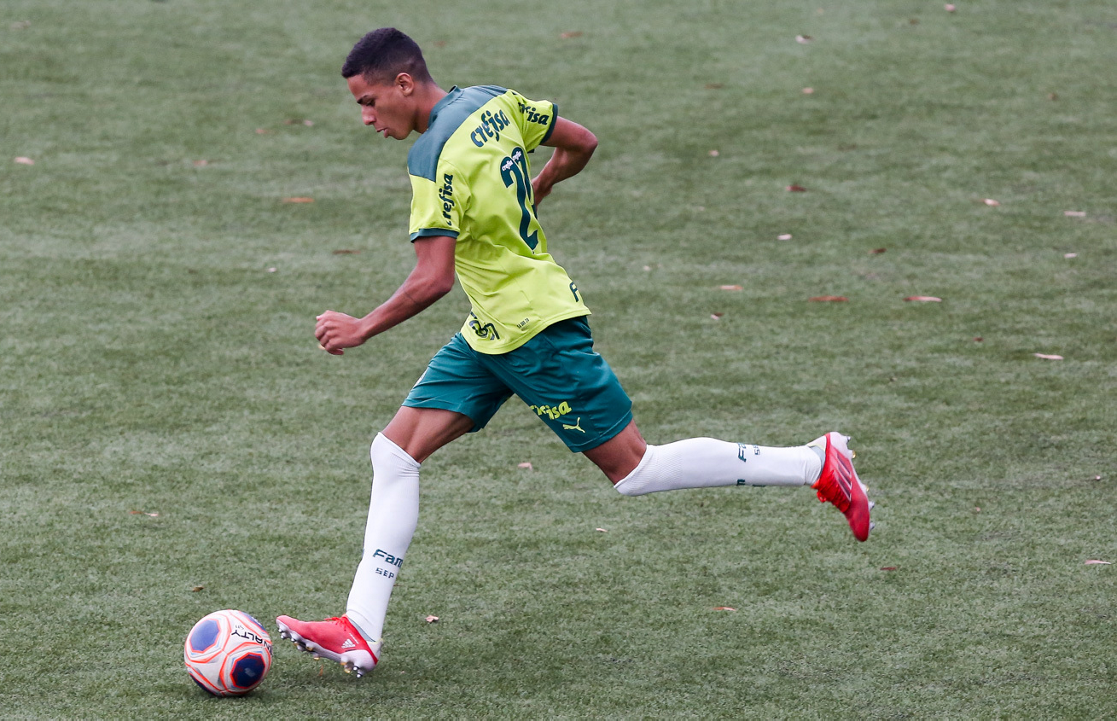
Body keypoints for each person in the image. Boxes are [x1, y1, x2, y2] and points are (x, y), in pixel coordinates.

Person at [276, 27, 872, 677]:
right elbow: (581, 142)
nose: (366, 118)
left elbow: (433, 277)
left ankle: (816, 462)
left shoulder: (431, 157)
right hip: (493, 329)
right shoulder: (492, 101)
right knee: (394, 452)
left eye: (368, 102)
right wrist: (543, 182)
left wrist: (362, 326)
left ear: (403, 83)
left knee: (636, 469)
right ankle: (359, 628)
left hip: (534, 331)